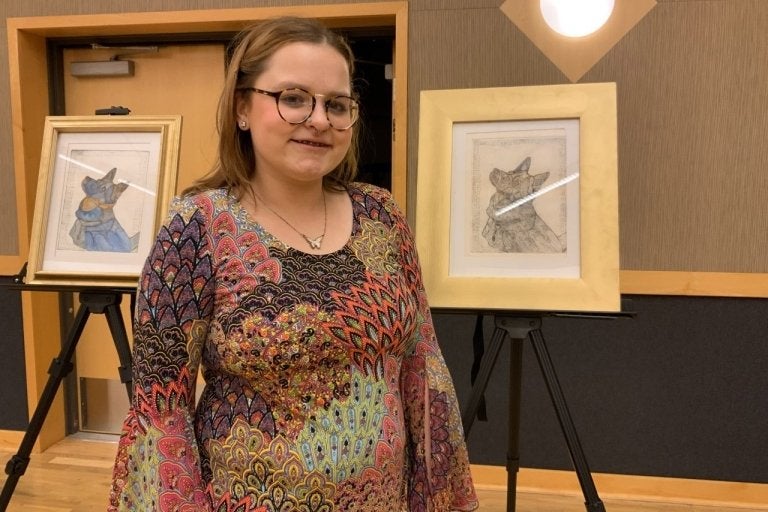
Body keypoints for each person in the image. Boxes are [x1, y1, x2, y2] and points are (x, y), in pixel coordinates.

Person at [108, 16, 478, 512]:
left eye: (337, 104)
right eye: (294, 98)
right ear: (242, 108)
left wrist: (439, 498)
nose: (320, 119)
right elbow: (161, 412)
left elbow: (422, 366)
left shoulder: (381, 215)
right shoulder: (198, 229)